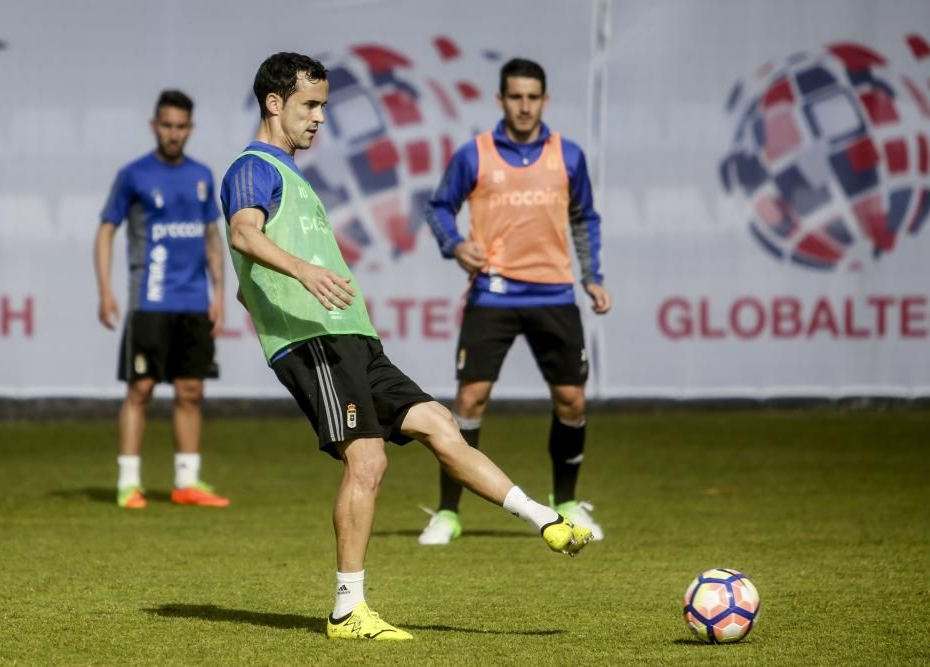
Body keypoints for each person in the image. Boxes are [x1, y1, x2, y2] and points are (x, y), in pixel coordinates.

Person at [220, 52, 593, 642]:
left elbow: (248, 283)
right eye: (309, 106)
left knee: (442, 425)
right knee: (368, 459)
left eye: (323, 106)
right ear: (274, 103)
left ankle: (545, 519)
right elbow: (244, 233)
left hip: (354, 339)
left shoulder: (292, 175)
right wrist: (298, 276)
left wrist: (266, 293)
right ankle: (348, 610)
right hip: (315, 340)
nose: (319, 119)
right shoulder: (251, 167)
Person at [420, 58, 612, 546]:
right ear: (501, 99)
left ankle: (567, 502)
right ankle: (447, 512)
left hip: (554, 293)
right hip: (493, 294)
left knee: (571, 399)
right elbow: (439, 207)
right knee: (468, 400)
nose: (524, 106)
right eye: (515, 97)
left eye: (533, 97)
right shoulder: (475, 155)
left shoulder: (568, 156)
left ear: (544, 100)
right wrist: (456, 245)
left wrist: (592, 277)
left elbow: (584, 218)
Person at [95, 89, 230, 510]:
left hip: (193, 301)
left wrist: (220, 294)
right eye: (166, 125)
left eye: (180, 127)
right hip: (149, 301)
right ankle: (128, 482)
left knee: (191, 391)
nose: (173, 134)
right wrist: (106, 290)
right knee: (141, 389)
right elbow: (106, 230)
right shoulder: (133, 175)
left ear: (190, 128)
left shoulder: (203, 175)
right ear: (155, 126)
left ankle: (186, 482)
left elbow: (213, 236)